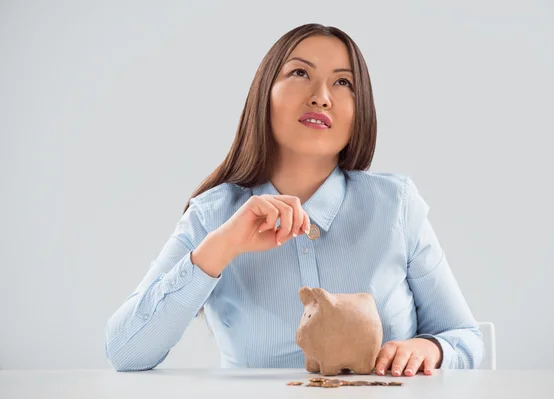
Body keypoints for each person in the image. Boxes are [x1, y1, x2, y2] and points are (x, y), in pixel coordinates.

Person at [104, 23, 484, 376]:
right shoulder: (212, 215)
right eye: (300, 73)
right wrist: (221, 248)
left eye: (343, 83)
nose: (321, 98)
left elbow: (466, 339)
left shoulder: (396, 206)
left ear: (360, 110)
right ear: (264, 93)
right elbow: (125, 352)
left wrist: (430, 349)